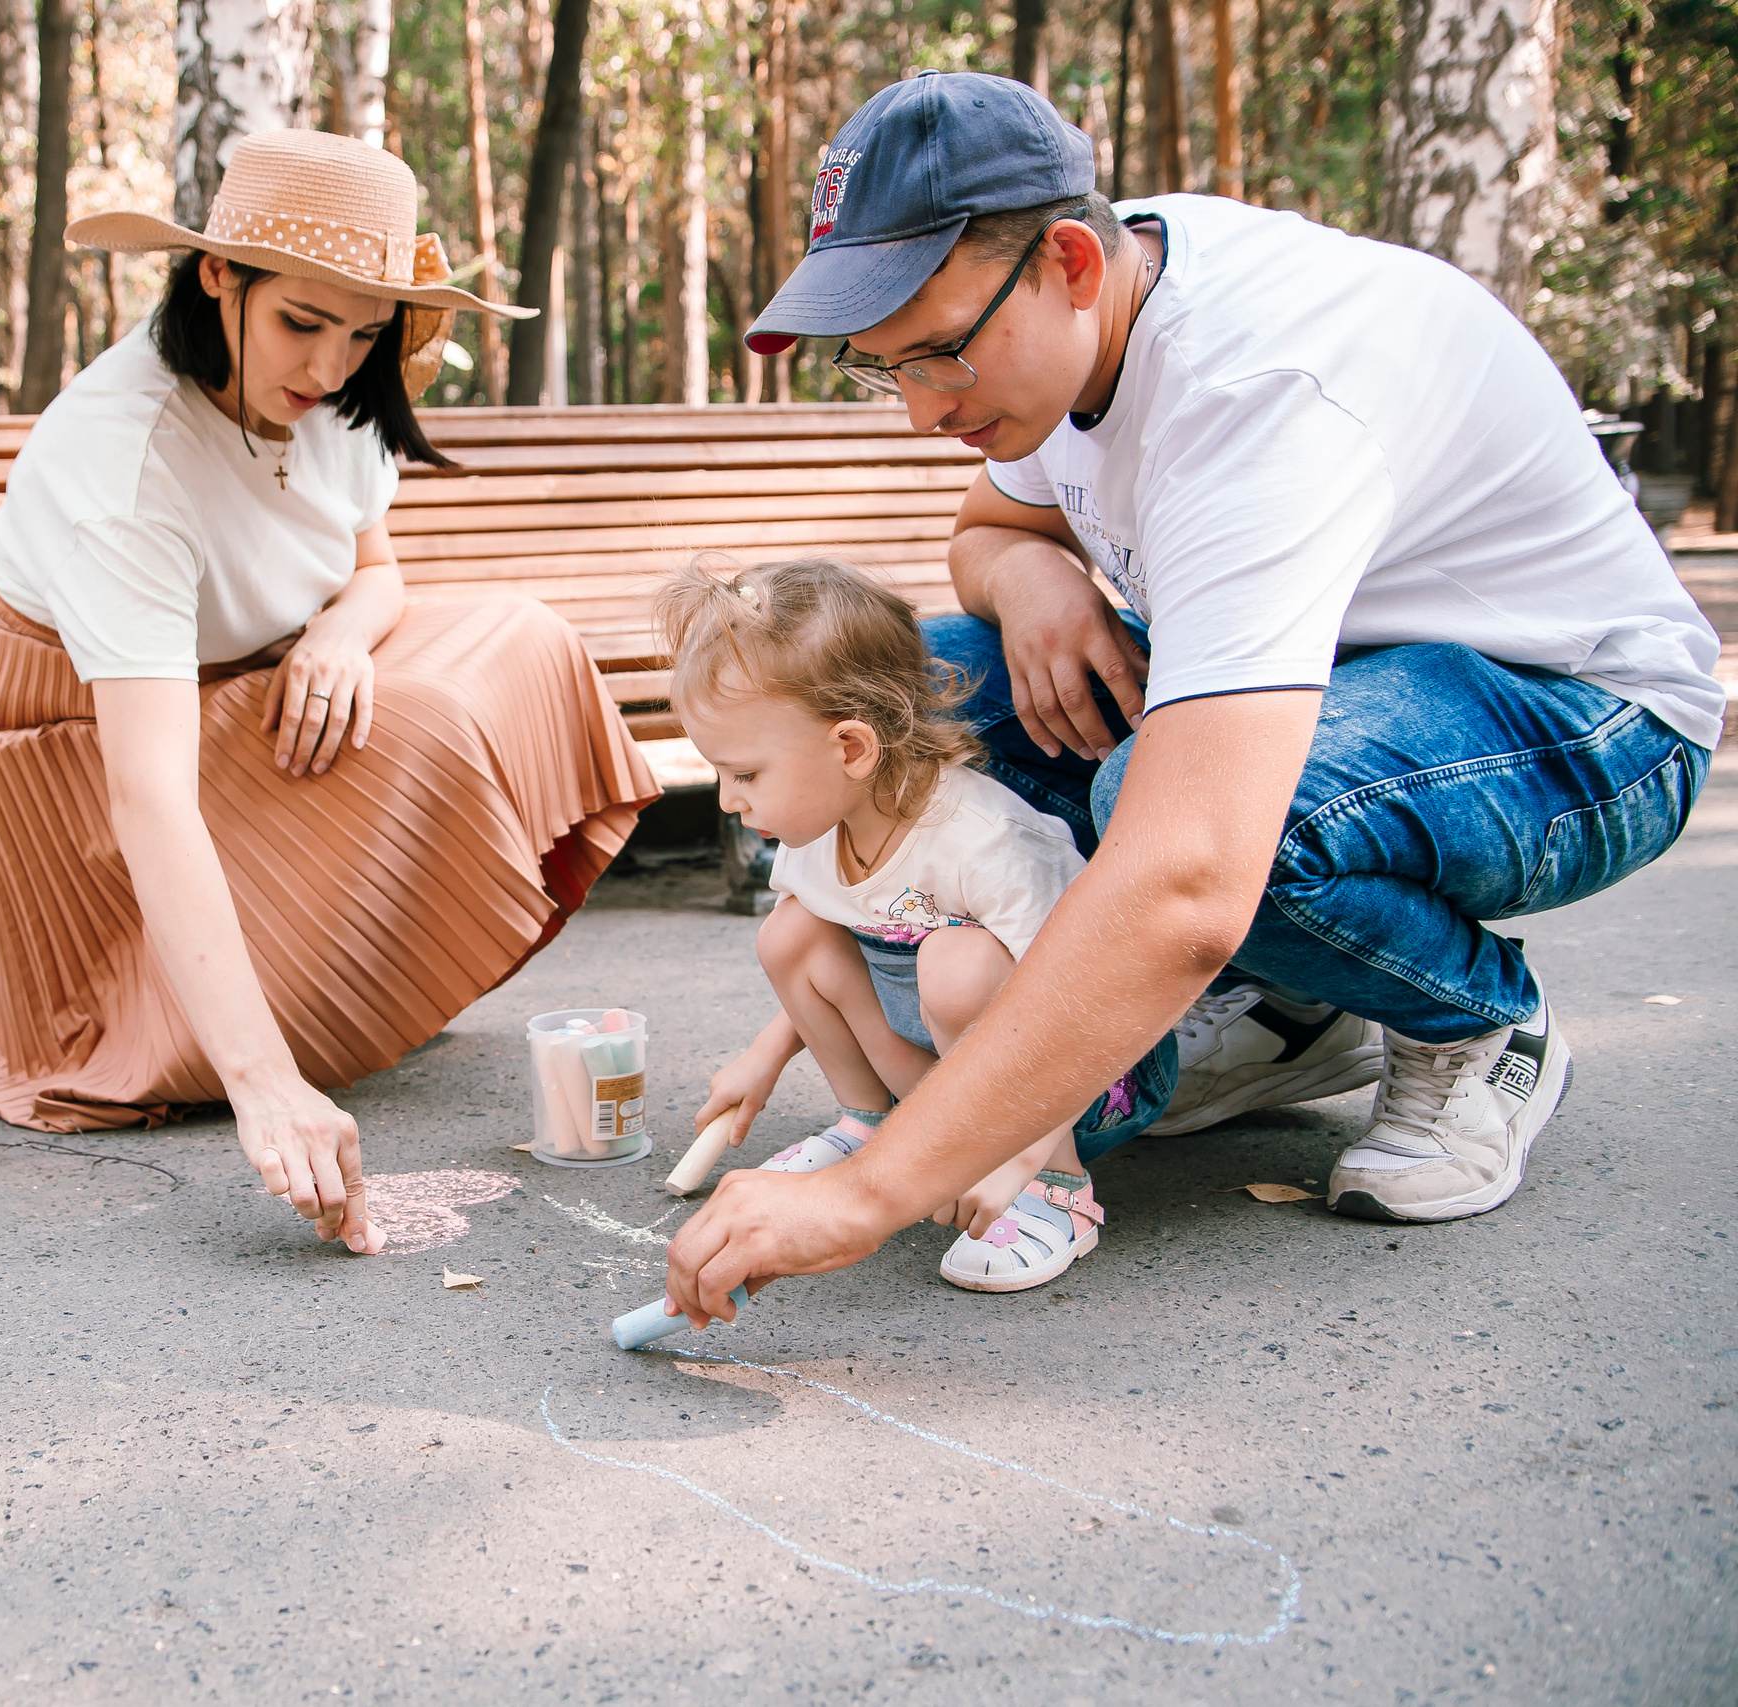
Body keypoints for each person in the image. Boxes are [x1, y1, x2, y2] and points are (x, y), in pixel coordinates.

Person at [662, 71, 1721, 1324]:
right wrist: (1033, 575)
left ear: (1066, 261)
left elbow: (1188, 876)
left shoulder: (1251, 394)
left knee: (1201, 827)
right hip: (1345, 681)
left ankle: (1478, 1020)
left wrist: (877, 1188)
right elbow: (983, 531)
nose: (925, 409)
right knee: (921, 695)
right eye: (882, 366)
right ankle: (1284, 1015)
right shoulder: (1083, 299)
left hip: (1577, 714)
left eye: (941, 352)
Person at [0, 132, 658, 1255]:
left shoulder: (342, 390)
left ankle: (344, 981)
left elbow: (375, 573)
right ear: (218, 275)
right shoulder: (129, 467)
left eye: (364, 332)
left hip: (253, 679)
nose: (328, 366)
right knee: (421, 726)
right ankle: (257, 1021)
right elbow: (149, 796)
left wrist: (341, 640)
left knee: (522, 639)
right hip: (71, 742)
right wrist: (262, 1086)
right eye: (300, 323)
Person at [661, 556, 1174, 1293]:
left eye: (744, 773)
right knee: (792, 933)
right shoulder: (812, 834)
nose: (726, 800)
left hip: (1084, 1071)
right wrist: (762, 1057)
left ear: (851, 748)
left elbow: (1084, 1004)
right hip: (948, 1064)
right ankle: (871, 1127)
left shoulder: (981, 838)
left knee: (954, 963)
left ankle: (1057, 1191)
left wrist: (1019, 1150)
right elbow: (815, 955)